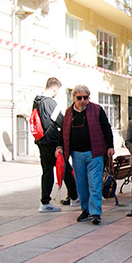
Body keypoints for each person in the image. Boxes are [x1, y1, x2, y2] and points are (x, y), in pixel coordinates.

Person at [55, 85, 114, 225]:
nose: (82, 100)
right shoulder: (69, 112)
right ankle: (85, 210)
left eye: (85, 97)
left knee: (94, 184)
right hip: (77, 155)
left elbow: (106, 128)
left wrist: (110, 146)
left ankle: (95, 213)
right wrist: (59, 147)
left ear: (89, 97)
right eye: (79, 98)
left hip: (95, 153)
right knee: (81, 184)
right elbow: (63, 131)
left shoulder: (97, 110)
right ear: (73, 98)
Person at [34, 77, 79, 212]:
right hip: (53, 142)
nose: (56, 93)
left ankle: (45, 202)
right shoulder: (49, 102)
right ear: (54, 88)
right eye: (57, 91)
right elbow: (61, 121)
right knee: (64, 167)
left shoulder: (37, 101)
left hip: (41, 141)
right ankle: (74, 197)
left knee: (47, 171)